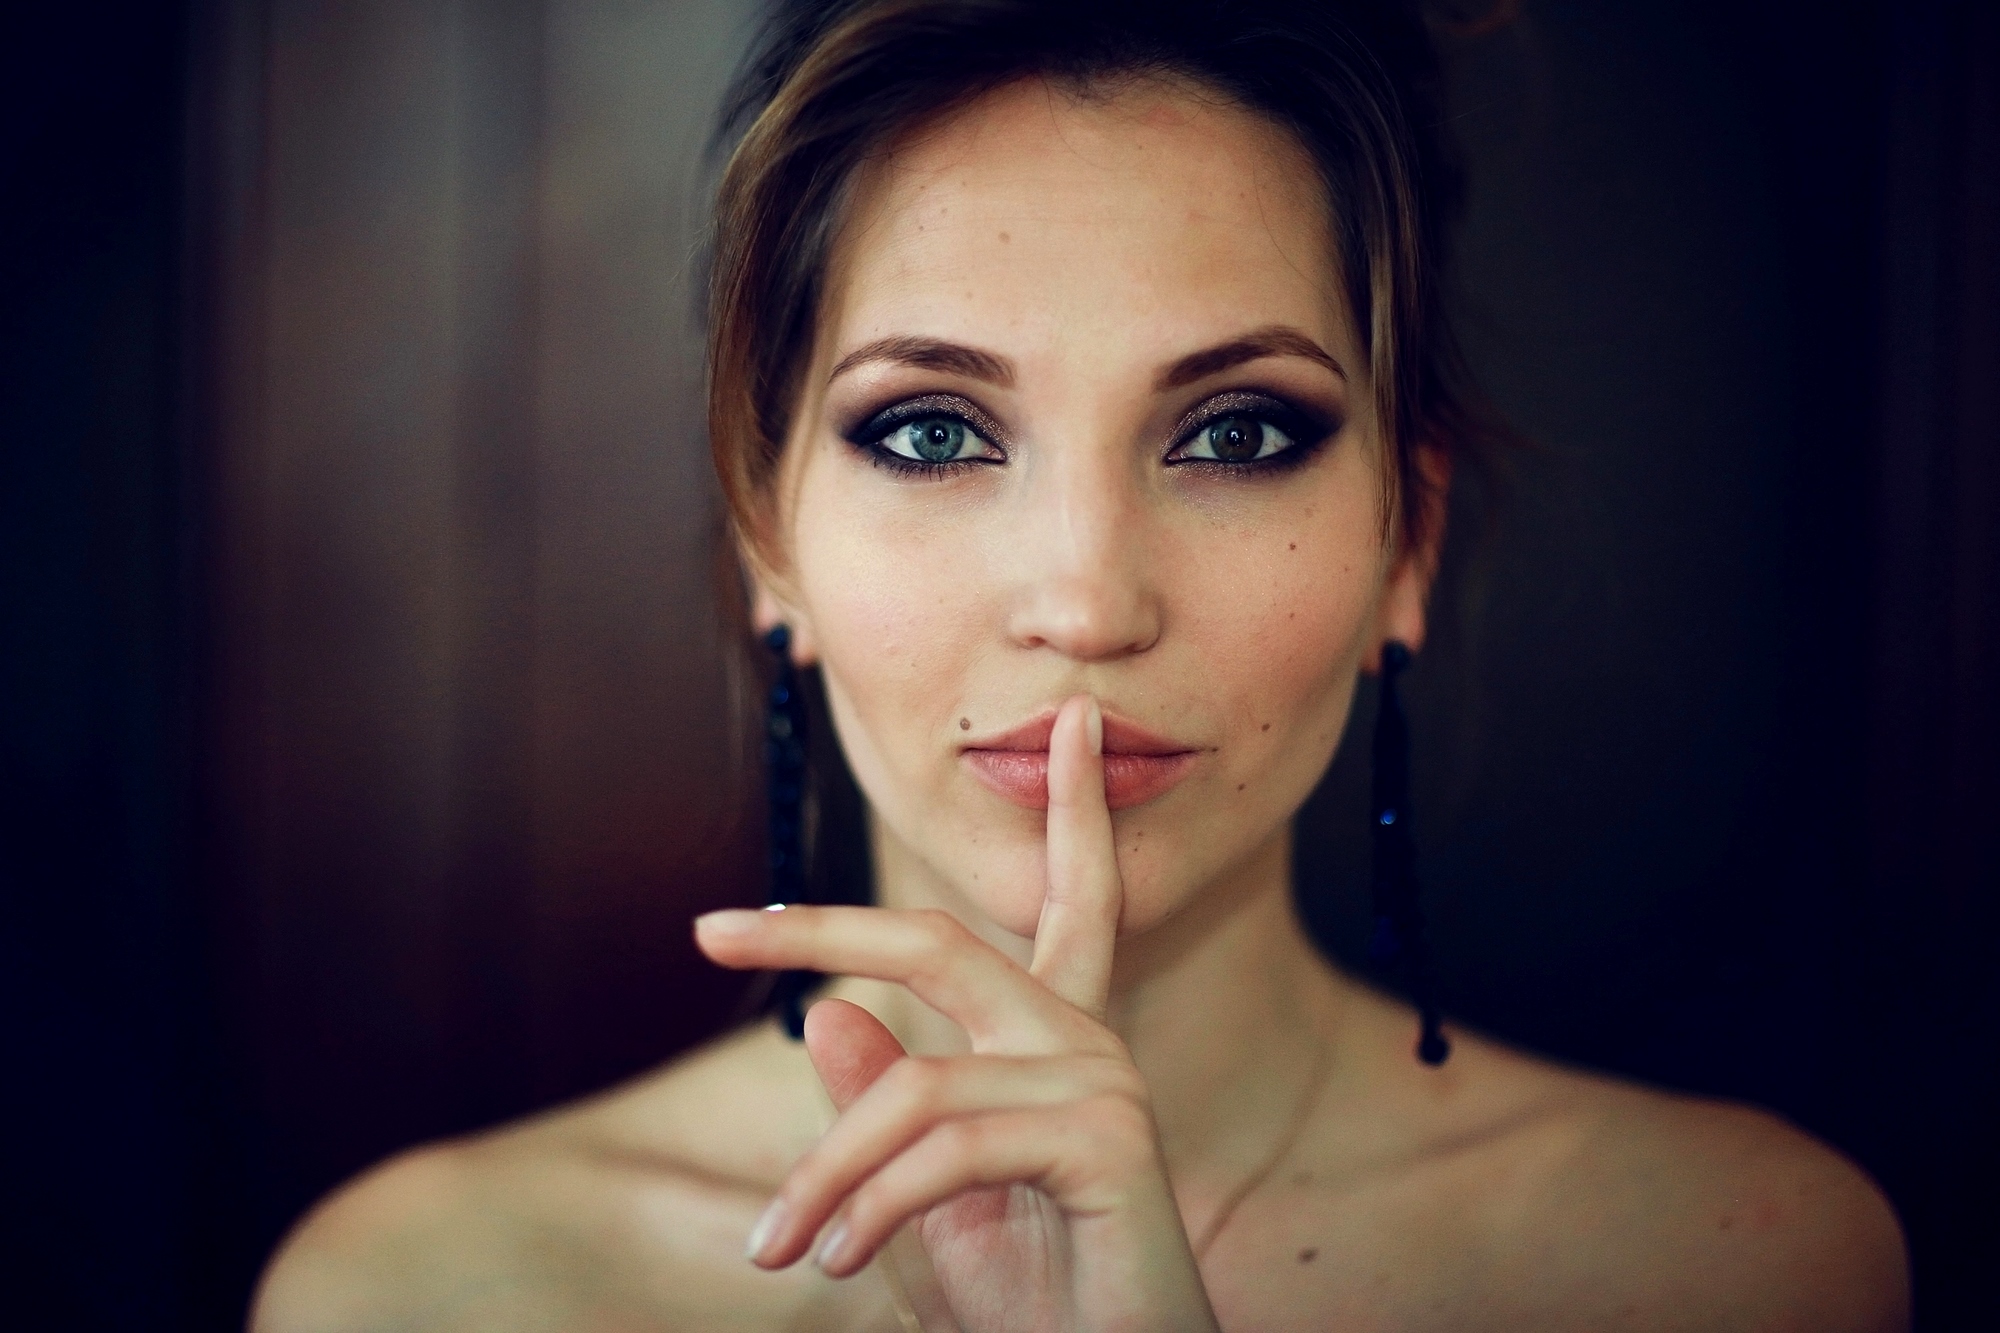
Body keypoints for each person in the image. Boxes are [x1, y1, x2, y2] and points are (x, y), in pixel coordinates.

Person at [250, 1, 1909, 1328]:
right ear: (770, 539)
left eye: (1237, 430)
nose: (1087, 597)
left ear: (1404, 544)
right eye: (932, 429)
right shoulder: (431, 1293)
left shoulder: (1734, 1269)